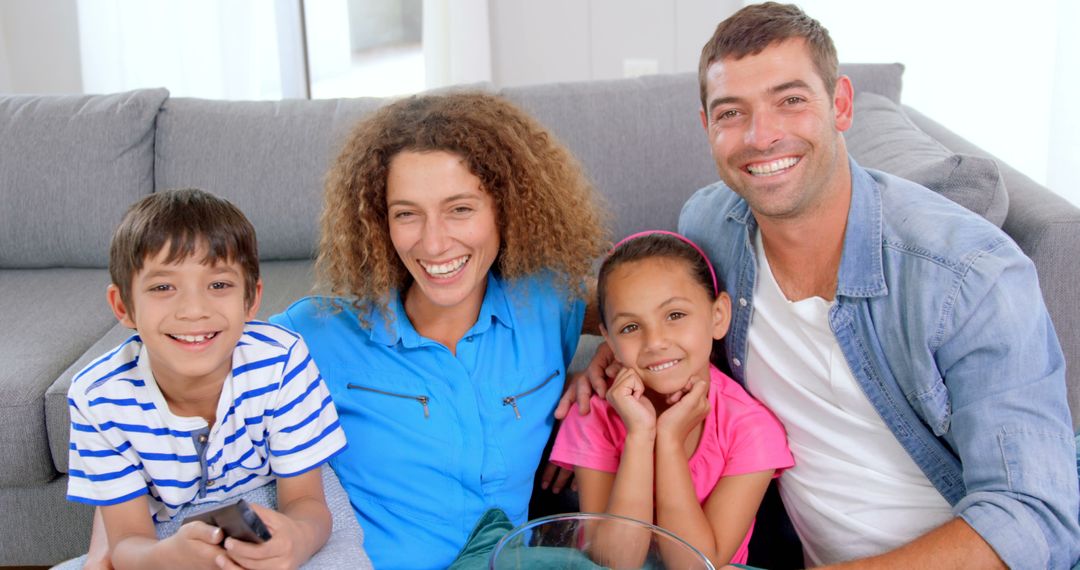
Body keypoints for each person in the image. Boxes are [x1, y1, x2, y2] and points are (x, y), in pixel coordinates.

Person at [580, 3, 1080, 568]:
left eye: (790, 100)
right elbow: (650, 299)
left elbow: (1036, 517)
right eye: (731, 113)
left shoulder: (968, 275)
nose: (760, 136)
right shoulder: (709, 225)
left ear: (840, 104)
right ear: (707, 127)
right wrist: (611, 350)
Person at [270, 92, 608, 569]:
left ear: (505, 209)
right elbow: (202, 358)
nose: (433, 242)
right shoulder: (316, 333)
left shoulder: (546, 302)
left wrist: (611, 357)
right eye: (406, 214)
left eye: (460, 209)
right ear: (377, 221)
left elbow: (649, 303)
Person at [63, 189, 355, 570]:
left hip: (283, 502)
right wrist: (167, 558)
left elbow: (307, 503)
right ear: (124, 306)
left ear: (251, 300)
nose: (194, 311)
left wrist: (297, 540)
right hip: (170, 529)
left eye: (218, 285)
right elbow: (128, 543)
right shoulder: (97, 397)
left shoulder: (281, 360)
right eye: (163, 287)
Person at [550, 231, 793, 567]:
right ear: (608, 338)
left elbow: (695, 565)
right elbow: (613, 562)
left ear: (718, 316)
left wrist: (669, 443)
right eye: (631, 327)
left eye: (675, 315)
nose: (655, 341)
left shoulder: (750, 428)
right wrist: (640, 436)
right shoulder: (595, 411)